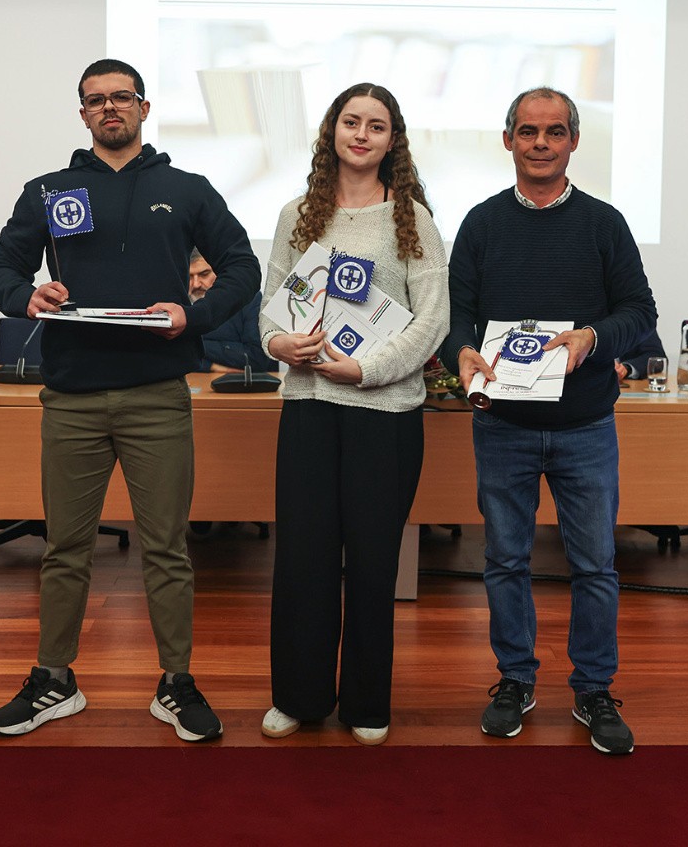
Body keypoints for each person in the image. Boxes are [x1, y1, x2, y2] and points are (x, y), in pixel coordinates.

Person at [0, 57, 259, 740]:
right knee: (65, 548)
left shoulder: (186, 190)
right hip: (71, 398)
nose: (110, 107)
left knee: (167, 549)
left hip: (157, 396)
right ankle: (54, 680)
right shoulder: (50, 191)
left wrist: (194, 315)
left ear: (143, 107)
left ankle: (175, 683)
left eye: (122, 97)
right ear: (82, 114)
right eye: (96, 99)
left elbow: (243, 267)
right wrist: (25, 295)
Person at [440, 85, 657, 756]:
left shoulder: (604, 224)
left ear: (574, 141)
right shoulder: (481, 224)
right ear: (508, 140)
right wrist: (461, 351)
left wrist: (593, 337)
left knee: (595, 565)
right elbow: (456, 316)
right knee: (505, 560)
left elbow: (640, 313)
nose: (541, 143)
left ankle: (593, 689)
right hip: (501, 426)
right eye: (528, 131)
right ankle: (515, 680)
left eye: (554, 131)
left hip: (585, 426)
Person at [257, 82, 449, 746]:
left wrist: (365, 370)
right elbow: (270, 312)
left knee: (372, 563)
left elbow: (433, 320)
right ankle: (298, 696)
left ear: (393, 140)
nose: (361, 134)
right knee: (303, 560)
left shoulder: (412, 219)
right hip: (309, 408)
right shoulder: (297, 214)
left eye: (376, 125)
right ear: (331, 131)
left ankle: (367, 701)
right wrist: (280, 345)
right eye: (350, 121)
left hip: (384, 415)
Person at [188, 248, 277, 374]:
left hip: (246, 385)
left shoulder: (249, 300)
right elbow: (172, 358)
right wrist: (212, 366)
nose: (196, 284)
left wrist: (190, 345)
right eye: (189, 276)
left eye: (204, 274)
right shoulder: (180, 306)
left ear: (220, 271)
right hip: (197, 384)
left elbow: (256, 358)